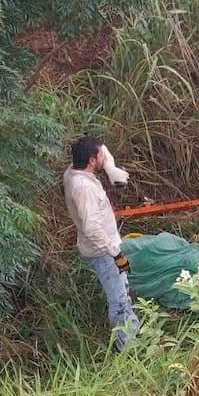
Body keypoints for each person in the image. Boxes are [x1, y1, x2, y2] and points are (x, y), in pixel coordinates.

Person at [63, 136, 139, 351]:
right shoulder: (83, 188)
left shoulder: (73, 170)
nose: (104, 156)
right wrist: (115, 253)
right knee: (119, 302)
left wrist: (112, 169)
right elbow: (91, 228)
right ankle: (128, 348)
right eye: (100, 157)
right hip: (103, 253)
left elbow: (102, 148)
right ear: (91, 160)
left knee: (122, 289)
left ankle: (133, 336)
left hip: (107, 250)